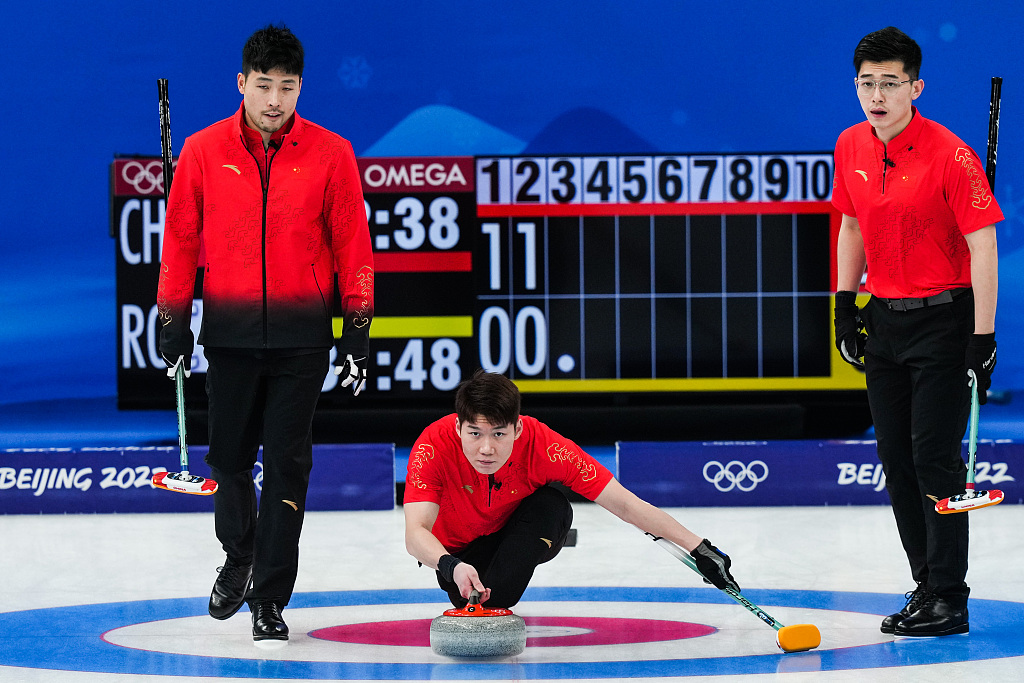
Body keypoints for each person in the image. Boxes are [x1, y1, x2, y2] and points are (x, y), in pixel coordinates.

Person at [156, 24, 374, 646]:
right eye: (263, 85)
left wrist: (357, 331)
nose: (275, 100)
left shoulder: (332, 153)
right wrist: (172, 319)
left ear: (301, 86)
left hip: (303, 338)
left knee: (286, 466)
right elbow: (181, 242)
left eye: (287, 86)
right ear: (241, 83)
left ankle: (270, 598)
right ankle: (239, 554)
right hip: (229, 334)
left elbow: (353, 246)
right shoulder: (202, 151)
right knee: (227, 461)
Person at [832, 26, 1001, 637]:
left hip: (944, 322)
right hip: (885, 319)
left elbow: (983, 247)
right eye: (866, 83)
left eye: (890, 83)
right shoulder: (850, 144)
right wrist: (844, 306)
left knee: (934, 459)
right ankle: (926, 584)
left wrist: (982, 338)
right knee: (896, 459)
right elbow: (852, 226)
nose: (877, 95)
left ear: (916, 87)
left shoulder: (952, 155)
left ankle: (950, 599)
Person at [403, 369, 740, 609]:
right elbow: (415, 533)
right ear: (458, 427)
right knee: (477, 598)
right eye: (475, 434)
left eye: (499, 434)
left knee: (550, 507)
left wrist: (700, 548)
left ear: (518, 429)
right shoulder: (432, 448)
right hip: (461, 553)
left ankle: (523, 548)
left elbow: (624, 504)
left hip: (524, 525)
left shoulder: (546, 447)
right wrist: (451, 566)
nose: (487, 449)